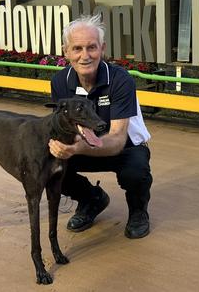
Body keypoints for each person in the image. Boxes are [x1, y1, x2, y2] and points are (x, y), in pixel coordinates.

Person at [48, 14, 152, 239]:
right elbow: (63, 128)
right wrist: (60, 148)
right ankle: (91, 199)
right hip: (84, 146)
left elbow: (116, 139)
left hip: (125, 147)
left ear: (102, 48)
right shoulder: (59, 82)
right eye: (77, 48)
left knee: (136, 171)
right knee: (51, 165)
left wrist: (77, 148)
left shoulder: (121, 80)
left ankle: (138, 211)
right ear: (66, 52)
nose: (85, 56)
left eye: (91, 47)